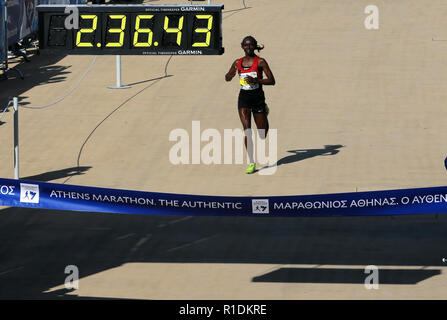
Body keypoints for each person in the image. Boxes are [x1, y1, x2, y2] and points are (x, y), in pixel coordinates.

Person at [225, 36, 276, 174]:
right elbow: (227, 77)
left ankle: (264, 111)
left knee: (262, 134)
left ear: (255, 46)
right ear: (242, 46)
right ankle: (251, 162)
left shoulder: (260, 62)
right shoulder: (237, 62)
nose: (248, 47)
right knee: (247, 130)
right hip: (244, 99)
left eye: (251, 45)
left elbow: (272, 81)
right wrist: (230, 75)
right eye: (246, 45)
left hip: (258, 98)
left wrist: (257, 80)